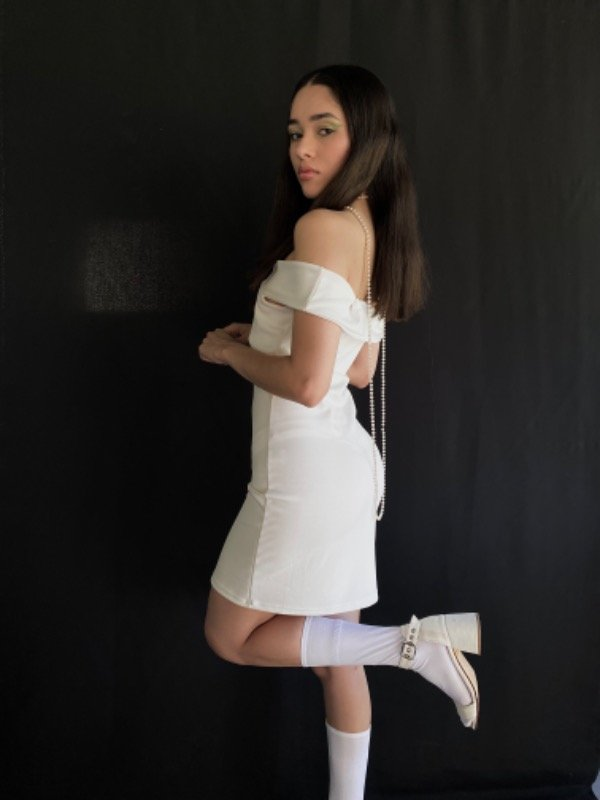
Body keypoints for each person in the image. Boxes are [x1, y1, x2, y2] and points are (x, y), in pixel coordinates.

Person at [198, 64, 480, 800]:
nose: (303, 148)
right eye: (296, 131)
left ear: (368, 139)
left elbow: (305, 382)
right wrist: (261, 337)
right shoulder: (368, 226)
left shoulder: (319, 227)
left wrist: (229, 353)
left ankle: (415, 646)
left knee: (229, 636)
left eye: (325, 130)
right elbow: (356, 369)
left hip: (303, 474)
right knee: (336, 657)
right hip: (346, 469)